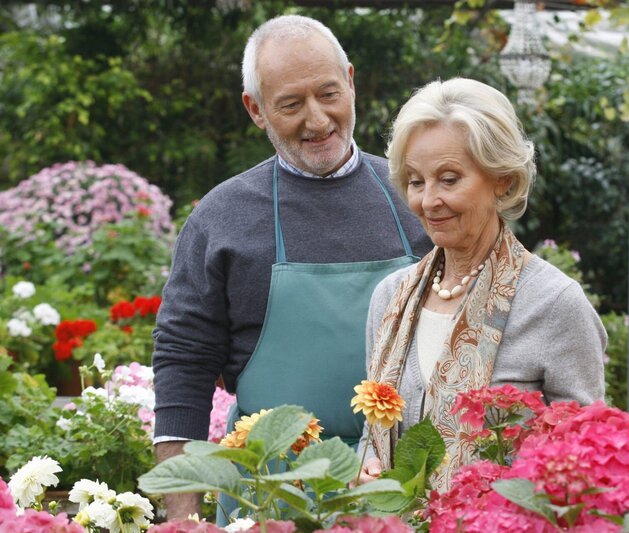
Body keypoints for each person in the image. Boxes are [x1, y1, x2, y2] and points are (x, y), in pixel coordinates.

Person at [152, 15, 431, 520]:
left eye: (328, 93)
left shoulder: (419, 197)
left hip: (400, 487)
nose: (317, 119)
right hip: (269, 495)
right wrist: (182, 522)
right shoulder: (221, 218)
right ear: (255, 110)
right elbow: (183, 365)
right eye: (290, 104)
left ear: (350, 79)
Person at [356, 78, 606, 490]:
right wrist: (365, 470)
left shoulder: (555, 303)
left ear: (503, 179)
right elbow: (375, 434)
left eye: (449, 179)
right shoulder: (390, 297)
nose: (428, 200)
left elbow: (586, 461)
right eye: (416, 181)